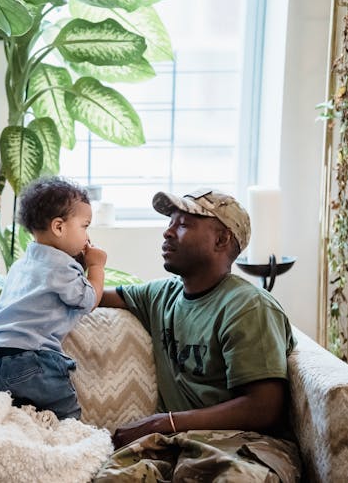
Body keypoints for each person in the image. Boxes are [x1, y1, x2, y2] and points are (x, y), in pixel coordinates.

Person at [94, 188, 301, 482]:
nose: (167, 233)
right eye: (170, 223)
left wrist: (163, 422)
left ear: (221, 239)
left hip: (241, 446)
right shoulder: (161, 295)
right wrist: (72, 253)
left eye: (182, 224)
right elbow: (92, 295)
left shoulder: (247, 306)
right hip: (170, 446)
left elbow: (263, 407)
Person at [0, 176, 107, 420]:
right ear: (59, 227)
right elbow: (88, 300)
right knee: (67, 416)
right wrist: (96, 266)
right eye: (85, 226)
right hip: (32, 361)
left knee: (21, 420)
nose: (87, 235)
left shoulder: (21, 265)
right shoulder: (61, 266)